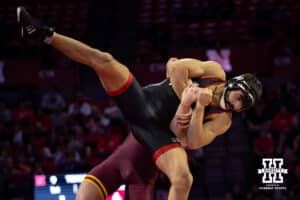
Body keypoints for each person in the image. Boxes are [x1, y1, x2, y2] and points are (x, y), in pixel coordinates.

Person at [17, 6, 263, 200]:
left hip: (160, 135)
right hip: (144, 103)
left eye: (244, 106)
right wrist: (186, 96)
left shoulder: (223, 119)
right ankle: (44, 34)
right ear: (234, 84)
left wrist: (196, 106)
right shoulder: (215, 71)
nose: (238, 107)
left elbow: (193, 141)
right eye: (240, 99)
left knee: (183, 178)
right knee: (105, 61)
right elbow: (176, 67)